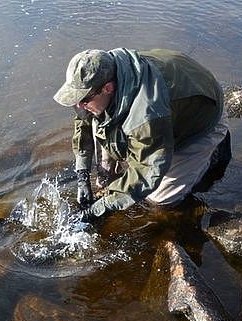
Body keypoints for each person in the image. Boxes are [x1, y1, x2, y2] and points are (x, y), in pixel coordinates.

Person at [53, 48, 231, 221]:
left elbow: (148, 172)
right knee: (106, 172)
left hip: (202, 118)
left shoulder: (148, 114)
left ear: (108, 88)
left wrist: (98, 210)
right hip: (168, 99)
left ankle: (211, 156)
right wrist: (82, 174)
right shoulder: (105, 74)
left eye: (83, 100)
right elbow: (83, 121)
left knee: (159, 199)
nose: (79, 106)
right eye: (76, 101)